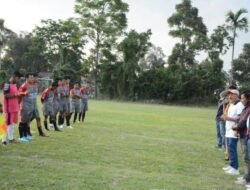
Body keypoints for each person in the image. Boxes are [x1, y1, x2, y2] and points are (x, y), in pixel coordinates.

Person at [19, 72, 47, 141]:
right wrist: (24, 93)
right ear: (27, 78)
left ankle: (29, 134)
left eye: (33, 77)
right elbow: (19, 94)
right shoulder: (24, 85)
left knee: (33, 119)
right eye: (31, 78)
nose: (32, 79)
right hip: (26, 106)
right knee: (25, 120)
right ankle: (23, 136)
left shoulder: (35, 85)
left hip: (33, 106)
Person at [222, 89, 245, 175]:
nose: (229, 96)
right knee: (230, 149)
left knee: (232, 149)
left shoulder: (239, 105)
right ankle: (232, 166)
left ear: (236, 96)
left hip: (234, 131)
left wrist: (228, 118)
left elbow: (241, 118)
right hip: (228, 130)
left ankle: (235, 169)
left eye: (231, 95)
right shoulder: (231, 104)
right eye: (228, 95)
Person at [233, 90, 250, 185]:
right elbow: (241, 119)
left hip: (245, 136)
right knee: (246, 158)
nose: (241, 100)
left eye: (243, 98)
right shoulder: (245, 108)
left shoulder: (248, 109)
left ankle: (246, 179)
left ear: (248, 99)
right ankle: (246, 177)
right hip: (244, 135)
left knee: (247, 158)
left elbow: (243, 122)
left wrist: (235, 127)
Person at [2, 71, 23, 145]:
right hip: (9, 108)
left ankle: (11, 139)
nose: (18, 80)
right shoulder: (7, 84)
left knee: (11, 124)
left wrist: (20, 96)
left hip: (14, 108)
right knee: (6, 123)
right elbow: (6, 95)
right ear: (14, 76)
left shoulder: (15, 85)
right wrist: (16, 94)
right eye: (17, 78)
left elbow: (16, 96)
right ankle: (3, 140)